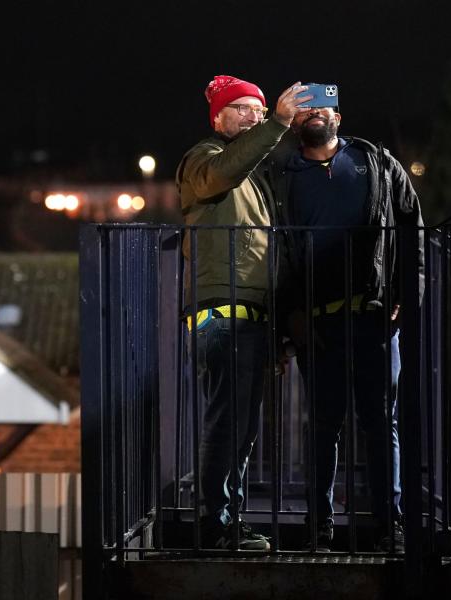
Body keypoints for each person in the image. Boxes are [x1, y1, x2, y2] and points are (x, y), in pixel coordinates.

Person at [263, 87, 425, 552]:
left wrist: (405, 298)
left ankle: (388, 525)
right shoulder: (283, 175)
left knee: (380, 421)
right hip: (317, 324)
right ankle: (319, 528)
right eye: (306, 109)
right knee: (324, 424)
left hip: (375, 315)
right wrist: (285, 321)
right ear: (295, 122)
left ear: (338, 115)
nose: (315, 115)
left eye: (322, 107)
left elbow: (412, 227)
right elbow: (275, 252)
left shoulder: (376, 162)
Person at [177, 75, 310, 551]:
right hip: (222, 313)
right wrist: (276, 123)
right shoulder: (202, 159)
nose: (253, 117)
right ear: (218, 118)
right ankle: (215, 525)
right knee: (228, 421)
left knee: (242, 425)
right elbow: (223, 171)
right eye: (243, 110)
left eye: (258, 110)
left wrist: (275, 330)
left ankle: (224, 521)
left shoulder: (252, 175)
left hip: (250, 317)